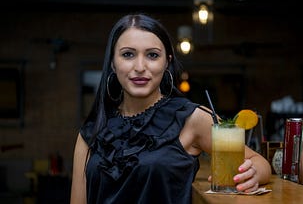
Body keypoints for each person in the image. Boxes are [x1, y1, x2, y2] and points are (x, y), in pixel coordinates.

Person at [70, 13, 271, 204]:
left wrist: (252, 173)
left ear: (167, 62)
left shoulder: (192, 118)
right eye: (128, 54)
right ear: (113, 63)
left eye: (152, 55)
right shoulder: (92, 131)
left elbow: (261, 164)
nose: (140, 66)